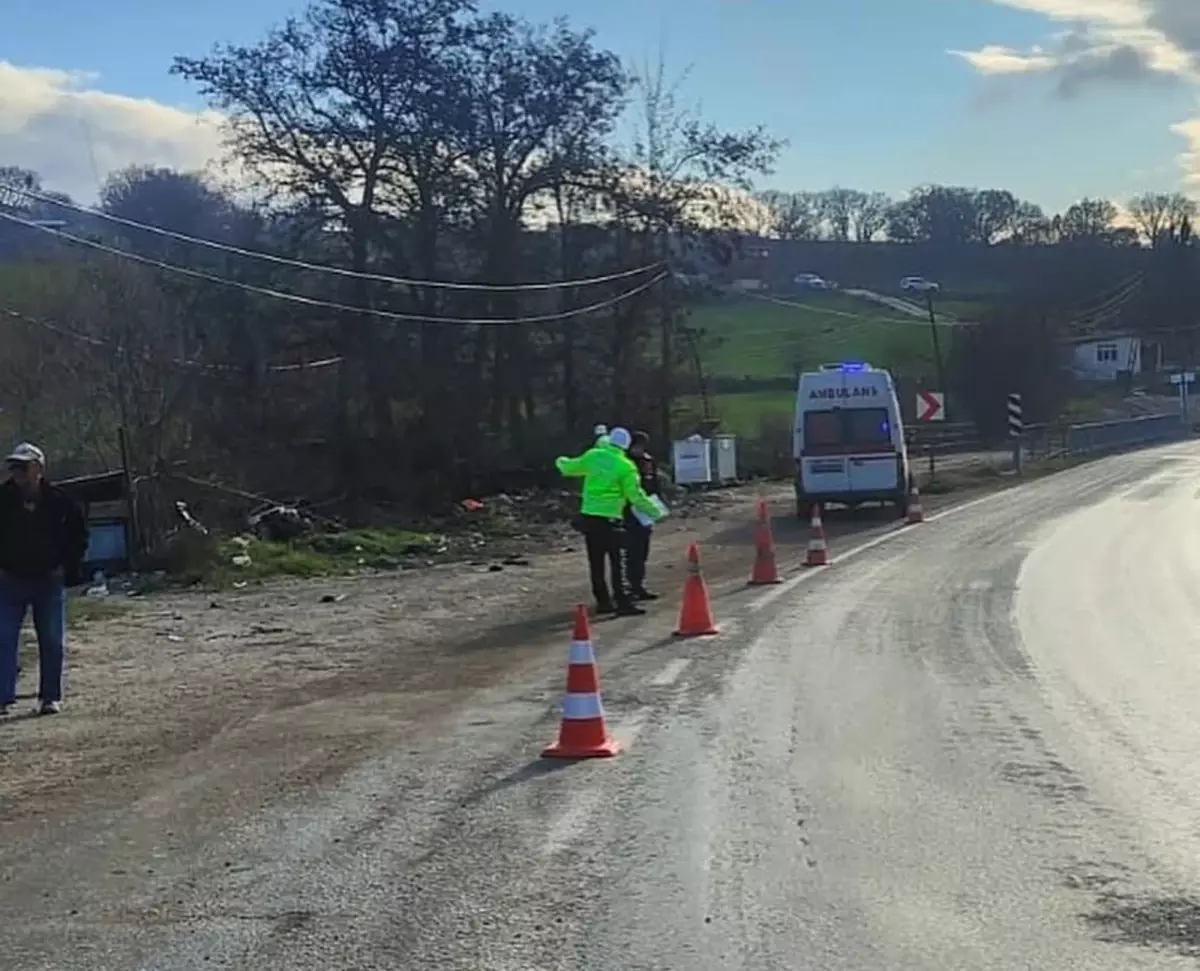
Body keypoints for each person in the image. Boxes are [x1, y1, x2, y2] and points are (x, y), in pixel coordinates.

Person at [0, 443, 89, 716]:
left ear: (38, 468)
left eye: (22, 467)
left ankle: (50, 697)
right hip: (9, 579)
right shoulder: (2, 499)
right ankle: (3, 697)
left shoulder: (60, 500)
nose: (17, 473)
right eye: (13, 467)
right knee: (3, 638)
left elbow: (79, 535)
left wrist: (66, 566)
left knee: (51, 639)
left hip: (49, 580)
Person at [556, 426, 663, 617]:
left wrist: (560, 460)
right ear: (626, 445)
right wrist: (655, 511)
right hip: (611, 518)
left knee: (596, 562)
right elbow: (635, 496)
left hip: (589, 517)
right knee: (617, 561)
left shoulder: (593, 456)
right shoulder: (625, 466)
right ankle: (622, 601)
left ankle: (603, 602)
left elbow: (569, 467)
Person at [623, 430, 663, 601]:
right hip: (628, 511)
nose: (639, 449)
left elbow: (654, 485)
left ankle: (638, 585)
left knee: (642, 551)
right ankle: (630, 586)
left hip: (644, 511)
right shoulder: (625, 463)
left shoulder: (649, 461)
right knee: (631, 552)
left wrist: (656, 505)